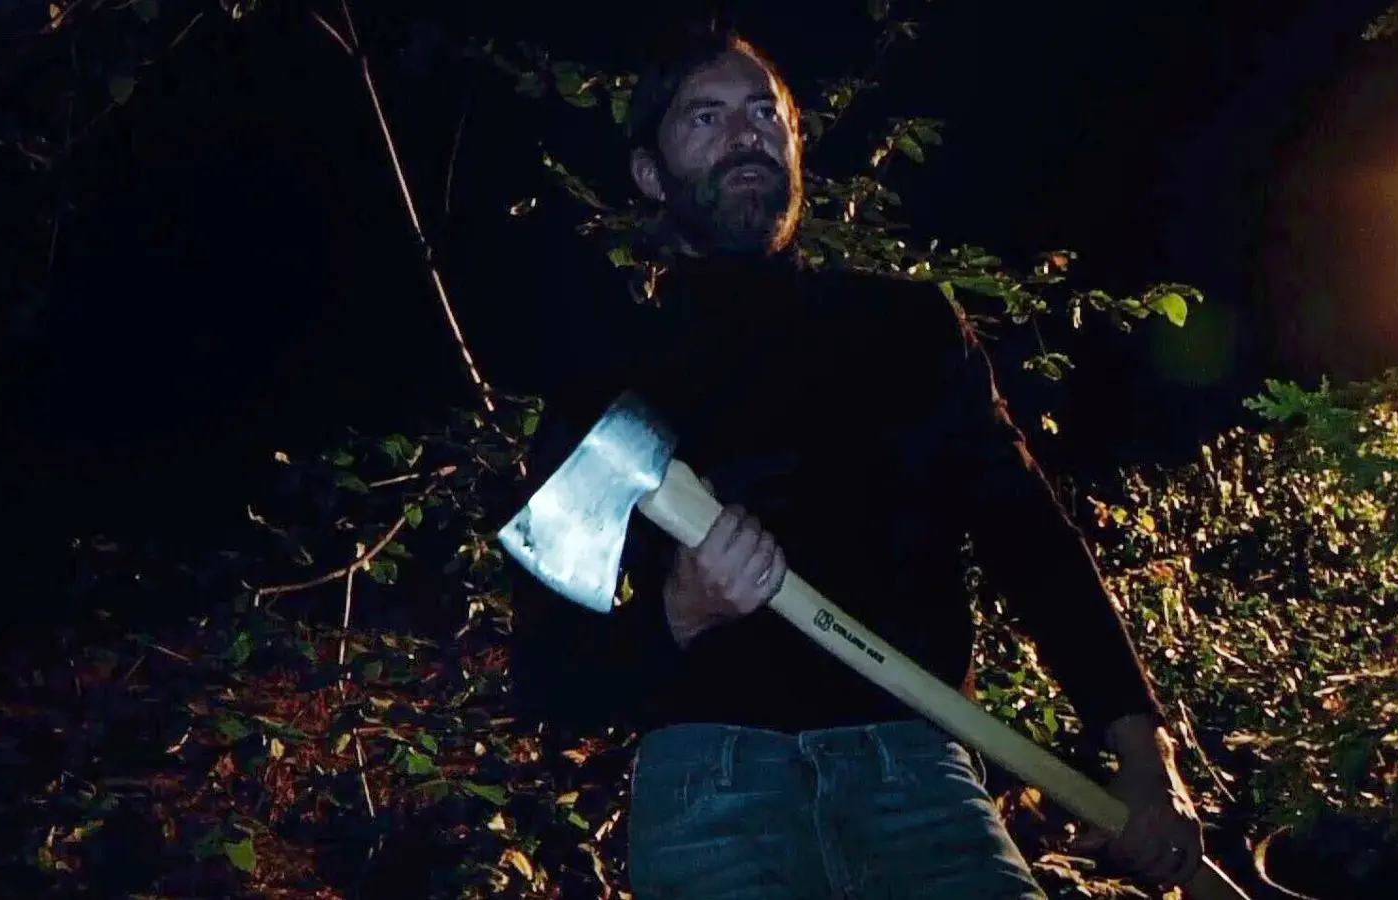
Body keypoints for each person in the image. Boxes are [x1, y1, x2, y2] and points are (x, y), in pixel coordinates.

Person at [507, 25, 1205, 900]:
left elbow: (1031, 541)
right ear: (649, 173)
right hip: (707, 783)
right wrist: (681, 613)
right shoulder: (606, 380)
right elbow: (549, 676)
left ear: (798, 147)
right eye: (705, 117)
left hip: (918, 769)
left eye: (766, 113)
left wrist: (1143, 751)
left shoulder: (906, 330)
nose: (744, 135)